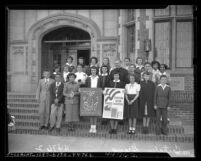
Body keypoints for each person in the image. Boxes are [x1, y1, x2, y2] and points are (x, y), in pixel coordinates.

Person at [85, 67, 101, 133]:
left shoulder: (99, 78)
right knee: (91, 111)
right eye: (92, 70)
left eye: (94, 70)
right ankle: (91, 127)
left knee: (96, 111)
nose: (93, 71)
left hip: (97, 95)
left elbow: (101, 86)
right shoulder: (88, 78)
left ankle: (95, 127)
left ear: (96, 71)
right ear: (90, 71)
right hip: (90, 95)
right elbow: (86, 86)